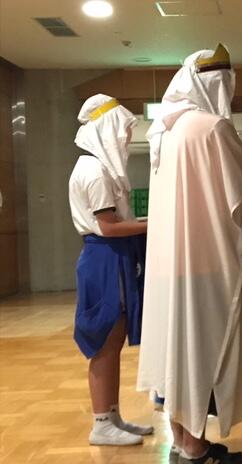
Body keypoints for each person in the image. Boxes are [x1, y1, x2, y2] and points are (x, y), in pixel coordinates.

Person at [136, 45, 242, 464]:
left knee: (177, 352)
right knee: (202, 351)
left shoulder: (165, 130)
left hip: (168, 267)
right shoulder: (211, 126)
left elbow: (220, 190)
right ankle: (196, 448)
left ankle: (183, 440)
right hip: (203, 264)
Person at [68, 94, 152, 446]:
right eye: (124, 130)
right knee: (105, 341)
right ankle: (102, 422)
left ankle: (112, 416)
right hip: (105, 258)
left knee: (113, 341)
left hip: (110, 256)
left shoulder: (97, 168)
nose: (128, 137)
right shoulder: (95, 171)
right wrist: (155, 223)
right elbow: (108, 226)